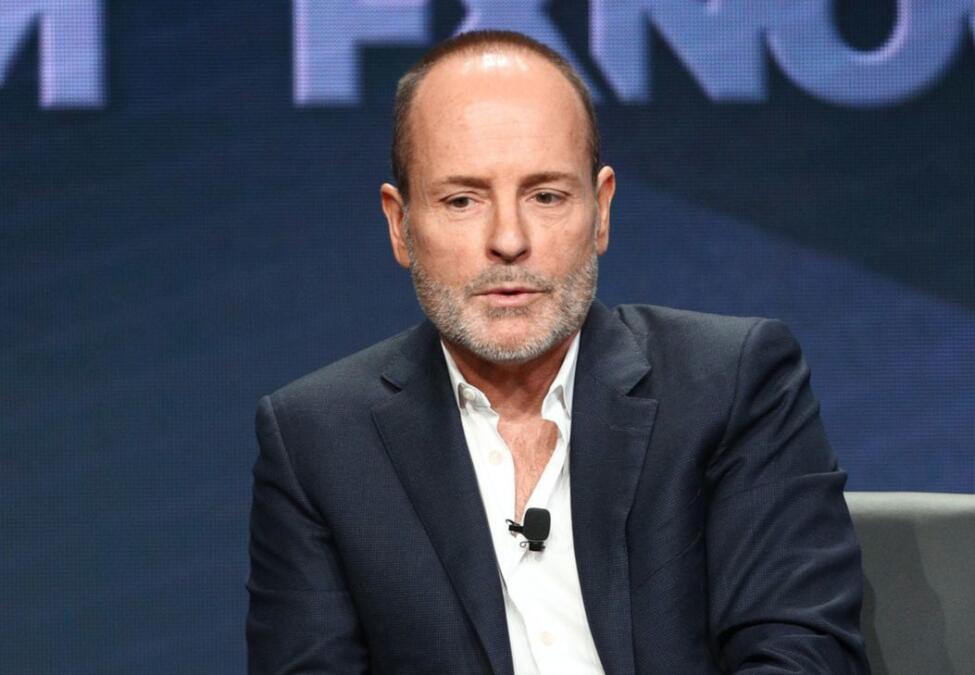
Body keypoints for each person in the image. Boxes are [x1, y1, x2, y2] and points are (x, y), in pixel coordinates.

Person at [247, 30, 869, 675]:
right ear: (400, 225)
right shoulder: (317, 440)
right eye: (462, 200)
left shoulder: (731, 383)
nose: (509, 240)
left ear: (600, 212)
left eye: (545, 196)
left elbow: (801, 657)